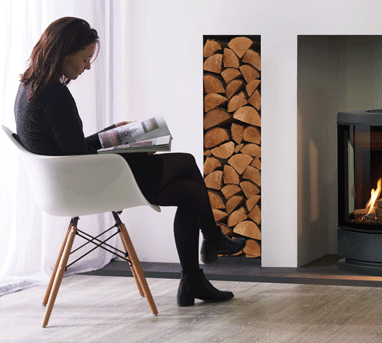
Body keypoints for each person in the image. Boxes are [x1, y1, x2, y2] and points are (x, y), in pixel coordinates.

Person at [14, 17, 246, 307]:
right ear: (65, 51)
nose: (86, 67)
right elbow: (80, 156)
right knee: (186, 163)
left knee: (190, 191)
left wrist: (113, 133)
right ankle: (210, 244)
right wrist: (134, 150)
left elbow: (73, 148)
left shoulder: (31, 86)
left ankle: (196, 274)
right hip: (89, 183)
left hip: (71, 181)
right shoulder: (55, 95)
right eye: (84, 59)